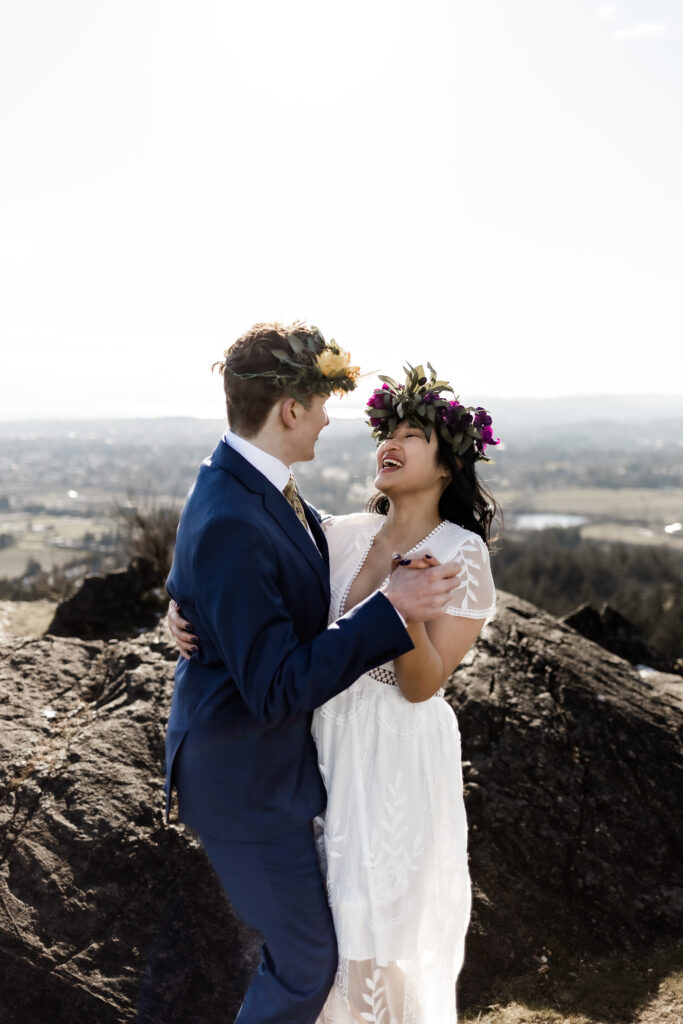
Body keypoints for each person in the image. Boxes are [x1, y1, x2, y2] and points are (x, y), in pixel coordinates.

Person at [170, 358, 499, 1022]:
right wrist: (176, 607)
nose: (392, 442)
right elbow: (238, 561)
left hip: (394, 770)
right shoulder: (340, 532)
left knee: (377, 948)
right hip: (321, 758)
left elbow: (421, 687)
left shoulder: (462, 555)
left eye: (414, 435)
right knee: (330, 949)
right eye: (390, 429)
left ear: (447, 467)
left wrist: (401, 612)